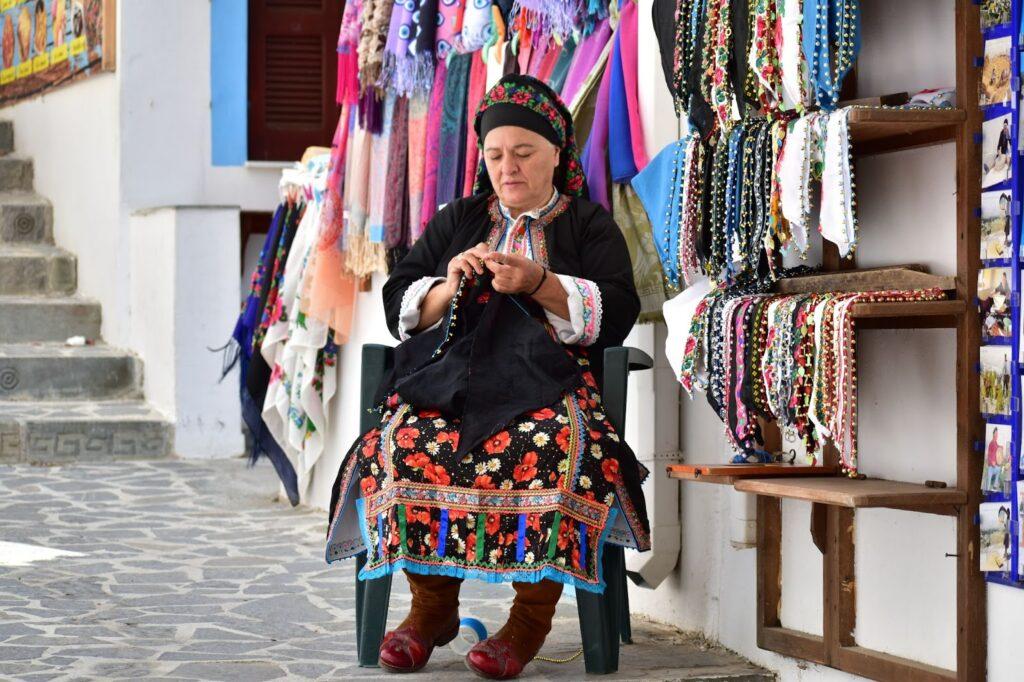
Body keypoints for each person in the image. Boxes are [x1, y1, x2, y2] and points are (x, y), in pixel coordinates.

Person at [325, 74, 650, 679]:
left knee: (554, 451)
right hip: (448, 384)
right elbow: (400, 298)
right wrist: (451, 283)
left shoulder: (588, 225)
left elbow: (619, 311)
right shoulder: (459, 219)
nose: (509, 167)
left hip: (553, 388)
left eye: (524, 153)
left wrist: (539, 284)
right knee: (401, 445)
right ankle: (431, 610)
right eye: (496, 155)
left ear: (557, 152)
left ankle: (527, 622)